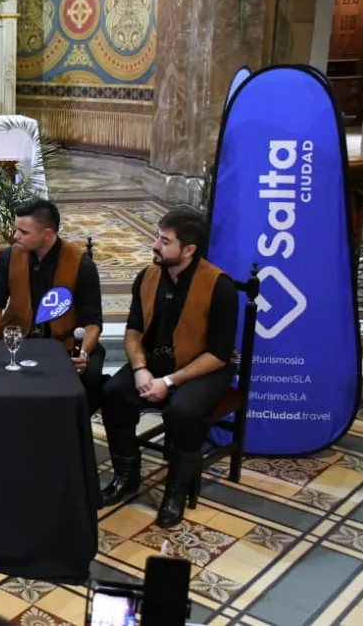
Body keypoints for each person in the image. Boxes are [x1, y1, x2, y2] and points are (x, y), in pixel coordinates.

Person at [100, 206, 238, 528]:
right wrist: (140, 368)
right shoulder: (148, 276)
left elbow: (219, 354)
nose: (155, 245)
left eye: (165, 241)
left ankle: (175, 493)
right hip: (155, 361)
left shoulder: (220, 286)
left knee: (183, 412)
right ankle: (126, 477)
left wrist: (170, 381)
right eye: (157, 237)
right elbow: (134, 329)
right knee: (114, 393)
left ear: (188, 250)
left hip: (203, 368)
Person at [0, 199, 105, 411]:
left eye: (23, 232)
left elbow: (92, 321)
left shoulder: (81, 264)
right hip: (19, 340)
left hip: (64, 344)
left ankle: (72, 427)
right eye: (16, 229)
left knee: (90, 376)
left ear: (47, 234)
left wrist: (83, 353)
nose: (15, 236)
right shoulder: (9, 256)